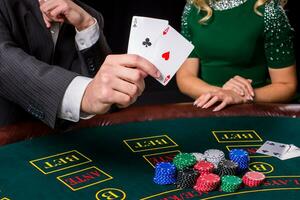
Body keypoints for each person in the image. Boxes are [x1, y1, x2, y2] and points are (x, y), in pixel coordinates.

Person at [0, 0, 161, 128]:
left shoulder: (88, 16)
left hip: (65, 149)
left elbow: (106, 104)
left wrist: (86, 26)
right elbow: (6, 65)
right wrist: (85, 94)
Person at [176, 0, 297, 111]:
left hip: (257, 110)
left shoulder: (268, 9)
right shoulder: (193, 6)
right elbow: (185, 77)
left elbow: (287, 85)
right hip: (207, 107)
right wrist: (222, 95)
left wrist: (243, 97)